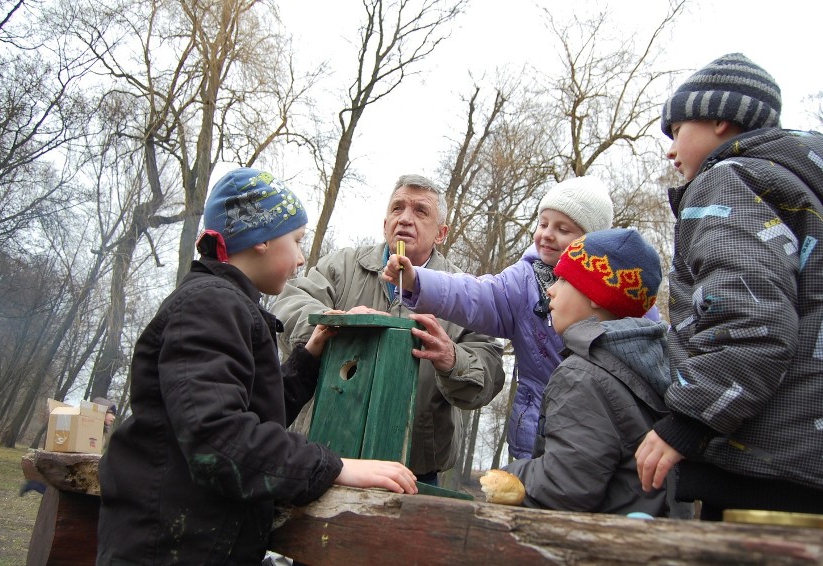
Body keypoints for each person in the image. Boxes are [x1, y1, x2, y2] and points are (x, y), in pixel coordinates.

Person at [97, 168, 417, 565]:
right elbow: (221, 440)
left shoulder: (229, 305)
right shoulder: (208, 306)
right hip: (169, 548)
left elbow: (249, 413)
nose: (301, 258)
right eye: (297, 241)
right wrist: (334, 466)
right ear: (261, 239)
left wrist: (308, 359)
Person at [635, 53, 823, 519]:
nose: (670, 150)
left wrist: (688, 420)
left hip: (762, 469)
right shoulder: (801, 188)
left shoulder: (731, 179)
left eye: (676, 130)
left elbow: (752, 318)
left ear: (721, 119)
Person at [272, 173, 506, 485]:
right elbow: (287, 305)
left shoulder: (464, 293)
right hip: (322, 452)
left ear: (441, 233)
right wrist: (334, 323)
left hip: (414, 468)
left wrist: (452, 359)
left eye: (420, 211)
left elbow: (488, 372)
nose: (405, 219)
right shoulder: (342, 266)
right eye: (397, 209)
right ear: (385, 224)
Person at [383, 176, 623, 460]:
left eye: (562, 229)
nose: (547, 234)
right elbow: (476, 295)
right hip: (536, 430)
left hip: (603, 428)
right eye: (543, 224)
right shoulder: (523, 282)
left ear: (590, 241)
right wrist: (418, 282)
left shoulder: (618, 290)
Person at [497, 228, 681, 516]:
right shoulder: (655, 362)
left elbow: (565, 487)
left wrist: (509, 477)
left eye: (563, 279)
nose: (550, 290)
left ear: (596, 294)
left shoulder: (582, 375)